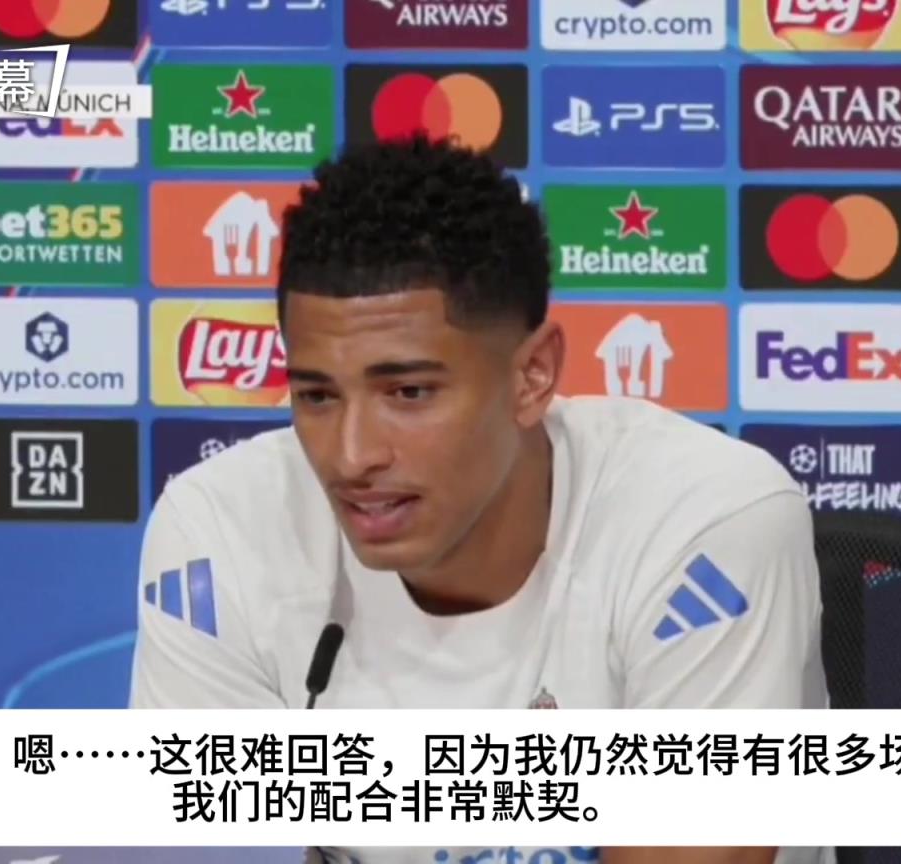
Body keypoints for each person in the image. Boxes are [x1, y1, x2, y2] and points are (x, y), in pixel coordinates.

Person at [130, 134, 830, 864]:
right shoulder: (221, 532)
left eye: (409, 392)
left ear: (532, 376)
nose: (351, 455)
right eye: (317, 396)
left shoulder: (704, 519)